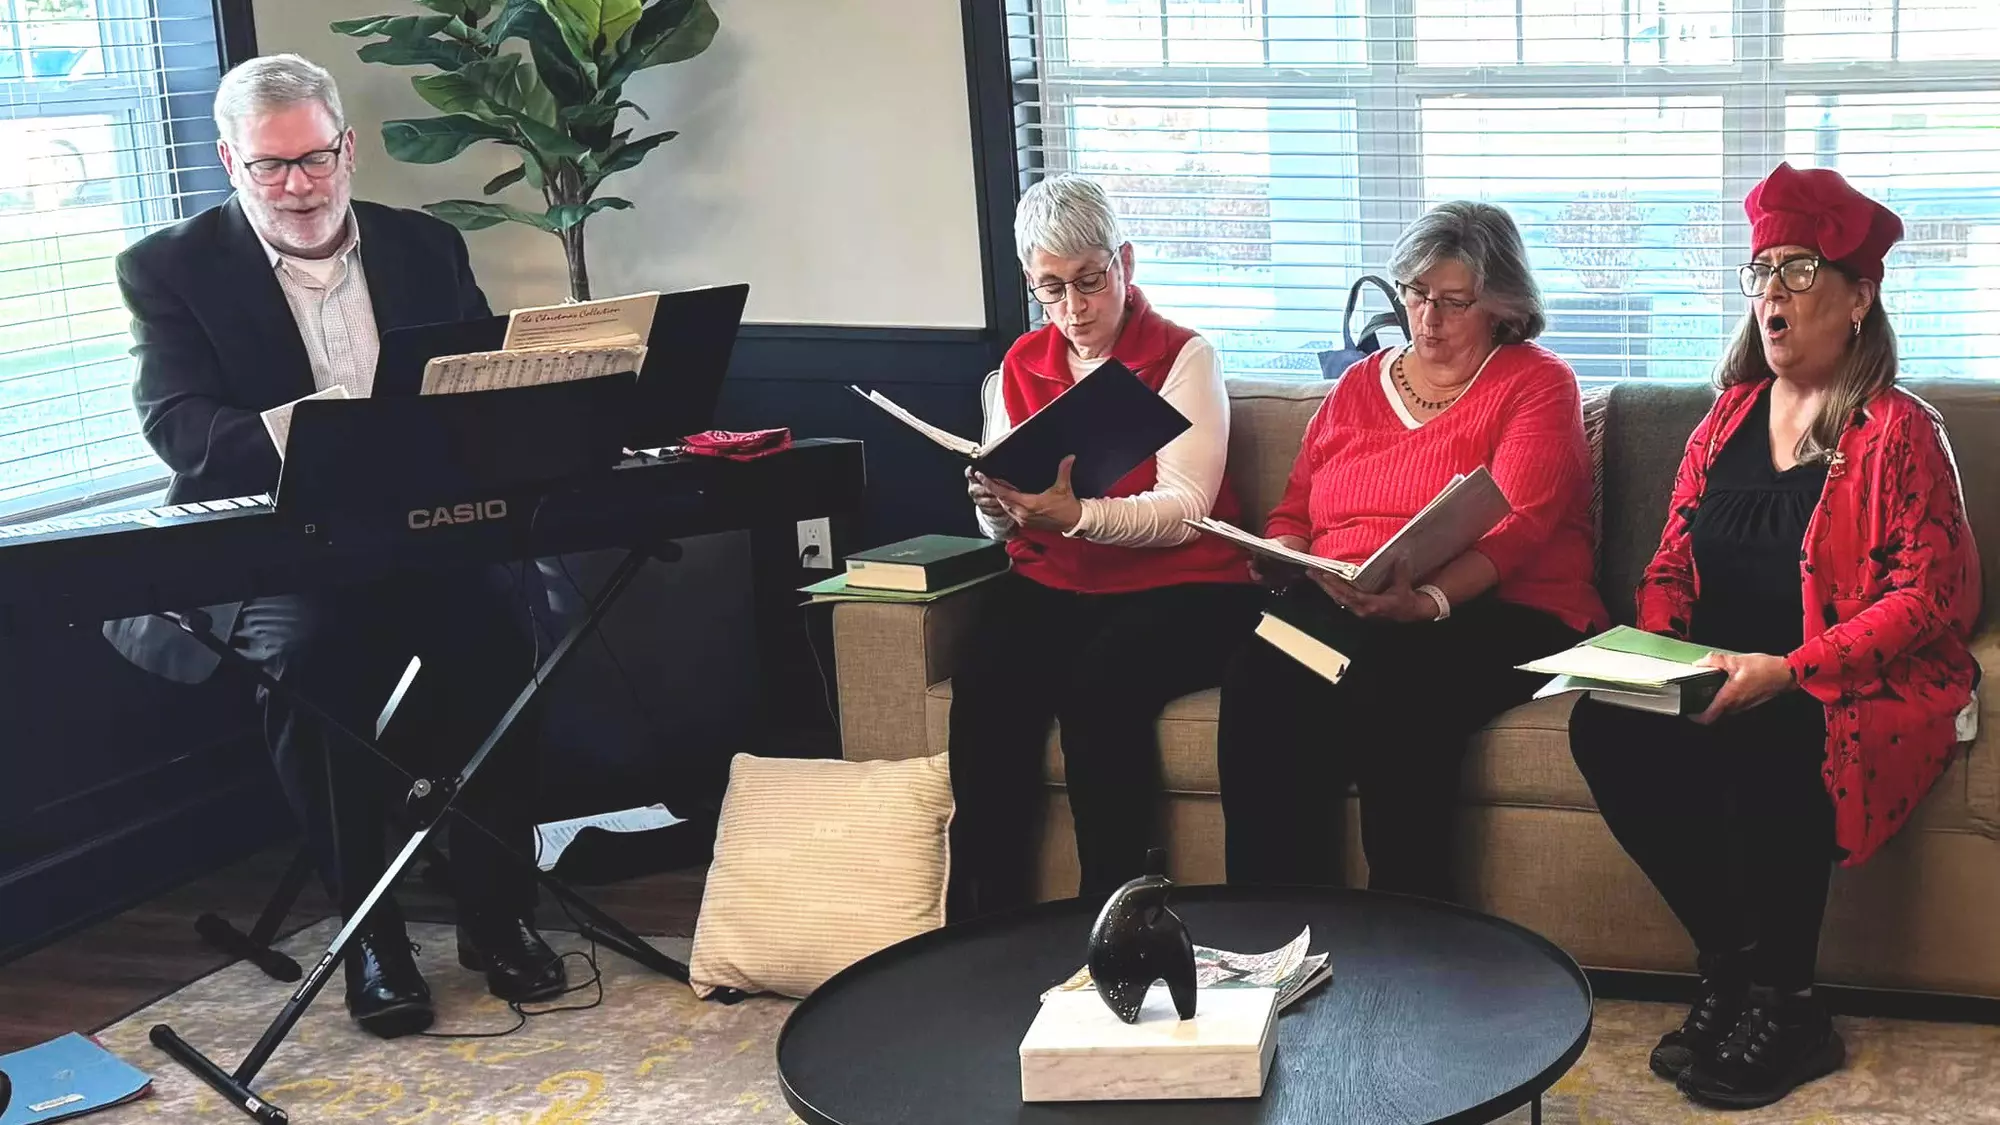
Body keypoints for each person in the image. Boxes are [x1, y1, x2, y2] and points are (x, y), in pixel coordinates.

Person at [104, 54, 567, 1038]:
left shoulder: (423, 245)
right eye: (269, 166)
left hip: (422, 531)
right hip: (280, 547)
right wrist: (319, 426)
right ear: (229, 162)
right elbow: (180, 430)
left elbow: (480, 388)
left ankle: (497, 915)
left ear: (347, 148)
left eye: (314, 158)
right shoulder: (169, 267)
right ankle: (372, 938)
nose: (298, 185)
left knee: (505, 633)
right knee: (313, 664)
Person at [1567, 163, 1981, 1110]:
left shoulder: (1899, 430)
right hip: (1722, 668)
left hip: (1844, 678)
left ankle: (1792, 1008)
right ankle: (1734, 961)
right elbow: (1671, 561)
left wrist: (1791, 668)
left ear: (1859, 296)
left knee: (1777, 730)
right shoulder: (1726, 417)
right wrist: (1661, 661)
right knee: (1604, 724)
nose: (1772, 294)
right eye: (1761, 271)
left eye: (1799, 269)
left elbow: (1928, 599)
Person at [1216, 201, 1607, 903]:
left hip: (1503, 606)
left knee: (1395, 689)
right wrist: (1284, 552)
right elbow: (1297, 505)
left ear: (1503, 307)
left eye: (1454, 302)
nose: (1427, 318)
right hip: (1348, 599)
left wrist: (1426, 601)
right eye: (1417, 293)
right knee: (1260, 671)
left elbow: (1519, 525)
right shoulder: (1358, 385)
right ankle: (1275, 923)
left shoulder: (1538, 382)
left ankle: (1409, 926)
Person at [946, 174, 1263, 919]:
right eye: (1051, 289)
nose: (1075, 308)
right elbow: (1009, 521)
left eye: (1090, 281)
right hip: (1056, 580)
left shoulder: (1183, 356)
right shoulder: (1020, 365)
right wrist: (997, 510)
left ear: (1124, 261)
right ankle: (982, 928)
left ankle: (1115, 923)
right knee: (986, 685)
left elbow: (1187, 511)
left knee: (1100, 691)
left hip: (1188, 585)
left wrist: (1078, 514)